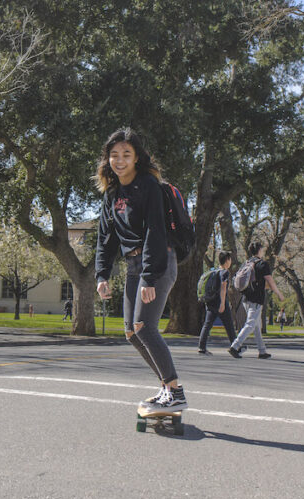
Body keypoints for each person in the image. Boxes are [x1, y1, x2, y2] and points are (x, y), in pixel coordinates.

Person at [94, 127, 187, 412]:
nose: (119, 160)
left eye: (126, 154)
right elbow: (105, 238)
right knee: (132, 332)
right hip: (133, 266)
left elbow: (155, 232)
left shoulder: (148, 186)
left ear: (137, 158)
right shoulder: (111, 194)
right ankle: (166, 386)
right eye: (114, 155)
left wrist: (149, 276)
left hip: (157, 262)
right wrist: (102, 274)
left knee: (145, 328)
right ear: (107, 159)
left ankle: (174, 391)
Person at [228, 241, 285, 359]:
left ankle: (262, 351)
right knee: (250, 324)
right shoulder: (262, 264)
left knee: (257, 326)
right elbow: (270, 281)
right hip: (256, 300)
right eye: (262, 249)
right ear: (259, 250)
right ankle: (235, 346)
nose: (263, 251)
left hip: (246, 298)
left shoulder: (247, 263)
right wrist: (278, 293)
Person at [197, 251, 238, 356]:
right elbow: (223, 288)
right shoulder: (225, 272)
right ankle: (235, 347)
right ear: (227, 260)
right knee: (229, 326)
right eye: (230, 259)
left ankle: (201, 347)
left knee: (207, 325)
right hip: (220, 303)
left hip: (210, 302)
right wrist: (223, 304)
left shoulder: (214, 271)